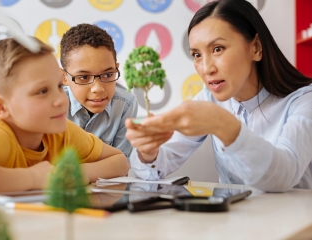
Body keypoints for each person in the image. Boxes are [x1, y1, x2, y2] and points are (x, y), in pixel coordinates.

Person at [125, 0, 312, 192]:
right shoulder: (208, 99)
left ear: (255, 48)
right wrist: (149, 153)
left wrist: (225, 125)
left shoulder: (305, 101)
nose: (206, 69)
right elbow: (151, 170)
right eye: (197, 55)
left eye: (217, 49)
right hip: (232, 220)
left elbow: (282, 177)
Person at [0, 37, 129, 200]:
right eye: (42, 91)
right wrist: (33, 178)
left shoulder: (61, 130)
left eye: (58, 86)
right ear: (0, 107)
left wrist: (76, 174)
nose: (60, 100)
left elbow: (120, 161)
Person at [60, 23, 138, 159]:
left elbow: (121, 165)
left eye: (108, 75)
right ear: (64, 78)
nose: (98, 88)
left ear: (116, 68)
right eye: (83, 77)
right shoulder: (53, 105)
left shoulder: (126, 104)